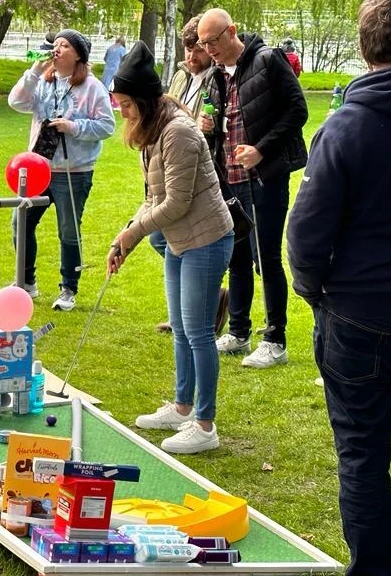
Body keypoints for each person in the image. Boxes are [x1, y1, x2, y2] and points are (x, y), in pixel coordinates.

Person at [287, 0, 391, 572]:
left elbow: (307, 230)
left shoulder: (348, 124)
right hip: (362, 310)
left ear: (367, 50)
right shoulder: (350, 123)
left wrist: (314, 289)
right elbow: (309, 234)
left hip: (360, 313)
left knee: (362, 457)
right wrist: (317, 291)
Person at [107, 41, 234, 454]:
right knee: (181, 328)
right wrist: (125, 233)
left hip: (206, 238)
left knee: (198, 332)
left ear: (143, 99)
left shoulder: (178, 131)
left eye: (126, 104)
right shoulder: (153, 130)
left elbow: (176, 201)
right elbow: (152, 195)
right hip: (181, 240)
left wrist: (134, 234)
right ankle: (181, 408)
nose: (122, 112)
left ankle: (205, 424)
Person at [197, 8, 308, 368]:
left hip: (265, 177)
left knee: (267, 258)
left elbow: (297, 110)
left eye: (213, 41)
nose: (209, 49)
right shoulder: (215, 75)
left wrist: (262, 150)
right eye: (203, 43)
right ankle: (239, 332)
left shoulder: (268, 60)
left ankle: (276, 339)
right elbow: (218, 120)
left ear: (232, 31)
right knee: (237, 256)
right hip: (229, 176)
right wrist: (208, 125)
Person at [8, 28, 115, 311]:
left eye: (64, 45)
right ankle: (25, 282)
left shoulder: (92, 87)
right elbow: (16, 101)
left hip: (74, 171)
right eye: (55, 45)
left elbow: (107, 126)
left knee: (68, 230)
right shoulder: (44, 81)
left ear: (78, 55)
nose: (56, 50)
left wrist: (74, 127)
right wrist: (34, 71)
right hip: (39, 168)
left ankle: (68, 288)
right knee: (21, 222)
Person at [151, 14, 229, 335]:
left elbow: (225, 124)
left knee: (167, 238)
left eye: (197, 50)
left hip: (204, 176)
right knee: (164, 240)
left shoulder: (219, 78)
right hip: (171, 170)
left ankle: (194, 312)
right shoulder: (182, 76)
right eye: (187, 50)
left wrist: (208, 128)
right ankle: (194, 309)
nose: (191, 57)